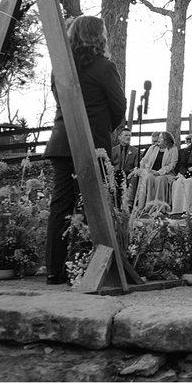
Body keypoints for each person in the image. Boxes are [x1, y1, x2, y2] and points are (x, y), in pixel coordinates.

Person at [43, 15, 126, 285]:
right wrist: (103, 129)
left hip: (63, 141)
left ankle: (55, 270)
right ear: (98, 36)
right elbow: (118, 106)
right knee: (100, 204)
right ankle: (94, 265)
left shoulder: (60, 67)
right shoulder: (104, 67)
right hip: (94, 145)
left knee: (61, 205)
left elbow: (59, 101)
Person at [133, 131, 178, 211]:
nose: (158, 139)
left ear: (166, 140)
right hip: (151, 171)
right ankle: (147, 206)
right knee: (148, 178)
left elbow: (172, 165)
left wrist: (159, 172)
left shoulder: (173, 149)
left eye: (161, 138)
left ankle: (159, 207)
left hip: (165, 174)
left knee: (160, 179)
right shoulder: (153, 148)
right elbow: (144, 160)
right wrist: (145, 170)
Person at [110, 127, 139, 207]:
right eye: (126, 135)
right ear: (119, 137)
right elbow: (110, 164)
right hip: (115, 173)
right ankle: (114, 204)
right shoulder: (113, 150)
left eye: (130, 135)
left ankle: (129, 204)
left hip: (129, 173)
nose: (128, 137)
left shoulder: (135, 151)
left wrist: (132, 172)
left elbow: (137, 166)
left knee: (134, 177)